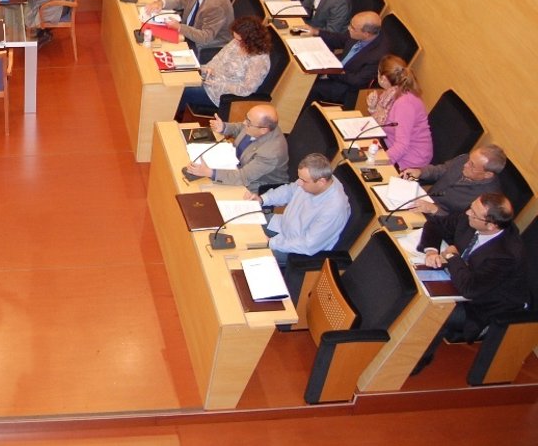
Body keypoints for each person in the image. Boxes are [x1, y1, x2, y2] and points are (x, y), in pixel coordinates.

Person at [412, 193, 528, 375]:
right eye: (471, 207)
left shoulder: (506, 254)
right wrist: (431, 251)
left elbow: (470, 289)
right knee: (414, 288)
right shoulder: (472, 217)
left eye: (473, 213)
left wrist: (452, 257)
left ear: (491, 225)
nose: (467, 213)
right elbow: (435, 223)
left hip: (482, 306)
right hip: (463, 280)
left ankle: (415, 361)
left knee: (433, 311)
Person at [247, 154, 350, 296]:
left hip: (294, 248)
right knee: (246, 221)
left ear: (321, 182)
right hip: (283, 225)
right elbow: (289, 190)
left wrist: (271, 243)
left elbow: (307, 244)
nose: (299, 183)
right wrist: (263, 199)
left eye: (303, 181)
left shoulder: (334, 209)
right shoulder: (314, 180)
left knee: (249, 252)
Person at [177, 16, 272, 115]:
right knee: (179, 76)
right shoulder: (237, 41)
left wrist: (216, 84)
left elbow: (246, 89)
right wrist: (207, 68)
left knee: (181, 90)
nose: (236, 42)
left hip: (220, 94)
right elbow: (219, 58)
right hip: (208, 79)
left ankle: (173, 116)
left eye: (240, 41)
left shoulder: (259, 60)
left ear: (250, 40)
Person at [185, 105, 289, 193]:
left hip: (255, 184)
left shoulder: (271, 153)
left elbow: (243, 177)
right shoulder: (257, 126)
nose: (244, 123)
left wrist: (210, 173)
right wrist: (224, 127)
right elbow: (240, 127)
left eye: (248, 122)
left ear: (263, 130)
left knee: (202, 191)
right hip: (233, 164)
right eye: (246, 118)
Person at [142, 0, 234, 59]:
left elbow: (205, 37)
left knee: (155, 53)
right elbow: (180, 0)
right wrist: (161, 3)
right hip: (188, 31)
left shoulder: (216, 6)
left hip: (205, 46)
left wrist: (179, 27)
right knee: (151, 38)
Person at [306, 11, 389, 107]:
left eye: (352, 28)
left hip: (346, 87)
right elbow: (339, 39)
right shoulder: (359, 32)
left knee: (310, 88)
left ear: (366, 34)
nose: (348, 28)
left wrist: (332, 72)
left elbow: (356, 81)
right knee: (306, 73)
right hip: (337, 68)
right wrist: (316, 32)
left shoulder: (378, 56)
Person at [364, 55, 433, 169]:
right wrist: (372, 108)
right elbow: (385, 124)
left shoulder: (405, 104)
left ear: (383, 78)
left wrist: (376, 164)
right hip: (389, 145)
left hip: (410, 160)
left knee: (361, 166)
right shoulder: (391, 94)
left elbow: (402, 145)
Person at [402, 145, 507, 217]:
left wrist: (435, 210)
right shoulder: (464, 159)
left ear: (488, 174)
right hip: (421, 202)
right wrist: (421, 172)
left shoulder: (486, 199)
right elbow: (441, 170)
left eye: (472, 165)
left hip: (437, 223)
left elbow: (460, 224)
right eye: (469, 160)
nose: (465, 164)